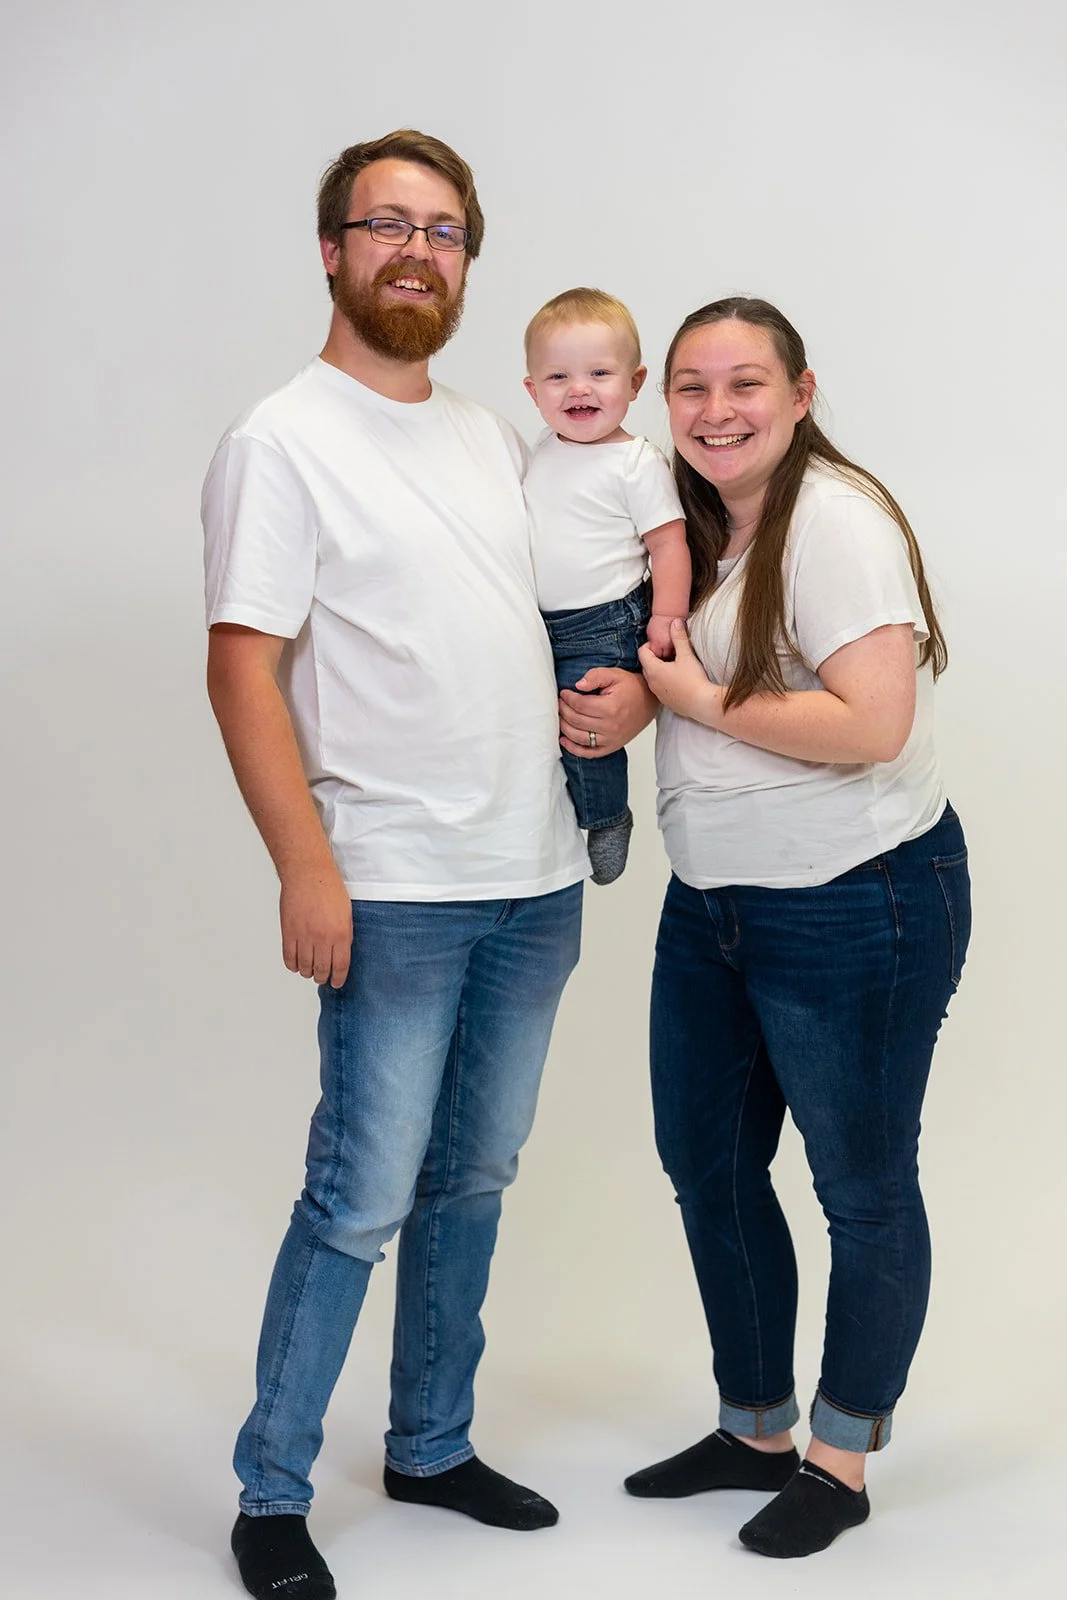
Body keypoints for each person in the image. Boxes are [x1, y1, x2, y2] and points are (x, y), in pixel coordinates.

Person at [201, 129, 651, 1600]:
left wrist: (631, 692)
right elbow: (243, 670)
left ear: (466, 262)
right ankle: (271, 1492)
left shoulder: (482, 430)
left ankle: (430, 1443)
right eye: (385, 223)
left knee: (474, 1179)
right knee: (359, 1195)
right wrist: (303, 865)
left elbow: (556, 609)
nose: (416, 249)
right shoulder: (281, 439)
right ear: (329, 248)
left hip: (529, 877)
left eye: (444, 229)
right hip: (390, 882)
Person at [626, 297, 971, 1559]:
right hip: (711, 905)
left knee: (861, 1189)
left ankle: (836, 1456)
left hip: (855, 900)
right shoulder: (693, 527)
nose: (715, 410)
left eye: (743, 384)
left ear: (801, 392)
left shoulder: (834, 523)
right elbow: (676, 690)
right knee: (706, 1165)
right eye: (690, 387)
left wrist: (694, 699)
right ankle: (753, 1426)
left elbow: (870, 723)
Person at [522, 289, 689, 884]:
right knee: (537, 722)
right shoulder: (541, 449)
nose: (579, 389)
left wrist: (666, 618)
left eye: (599, 373)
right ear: (532, 390)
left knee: (584, 719)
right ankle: (554, 817)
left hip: (606, 620)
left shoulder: (634, 462)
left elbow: (668, 544)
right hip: (539, 621)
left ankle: (607, 815)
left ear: (636, 381)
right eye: (558, 376)